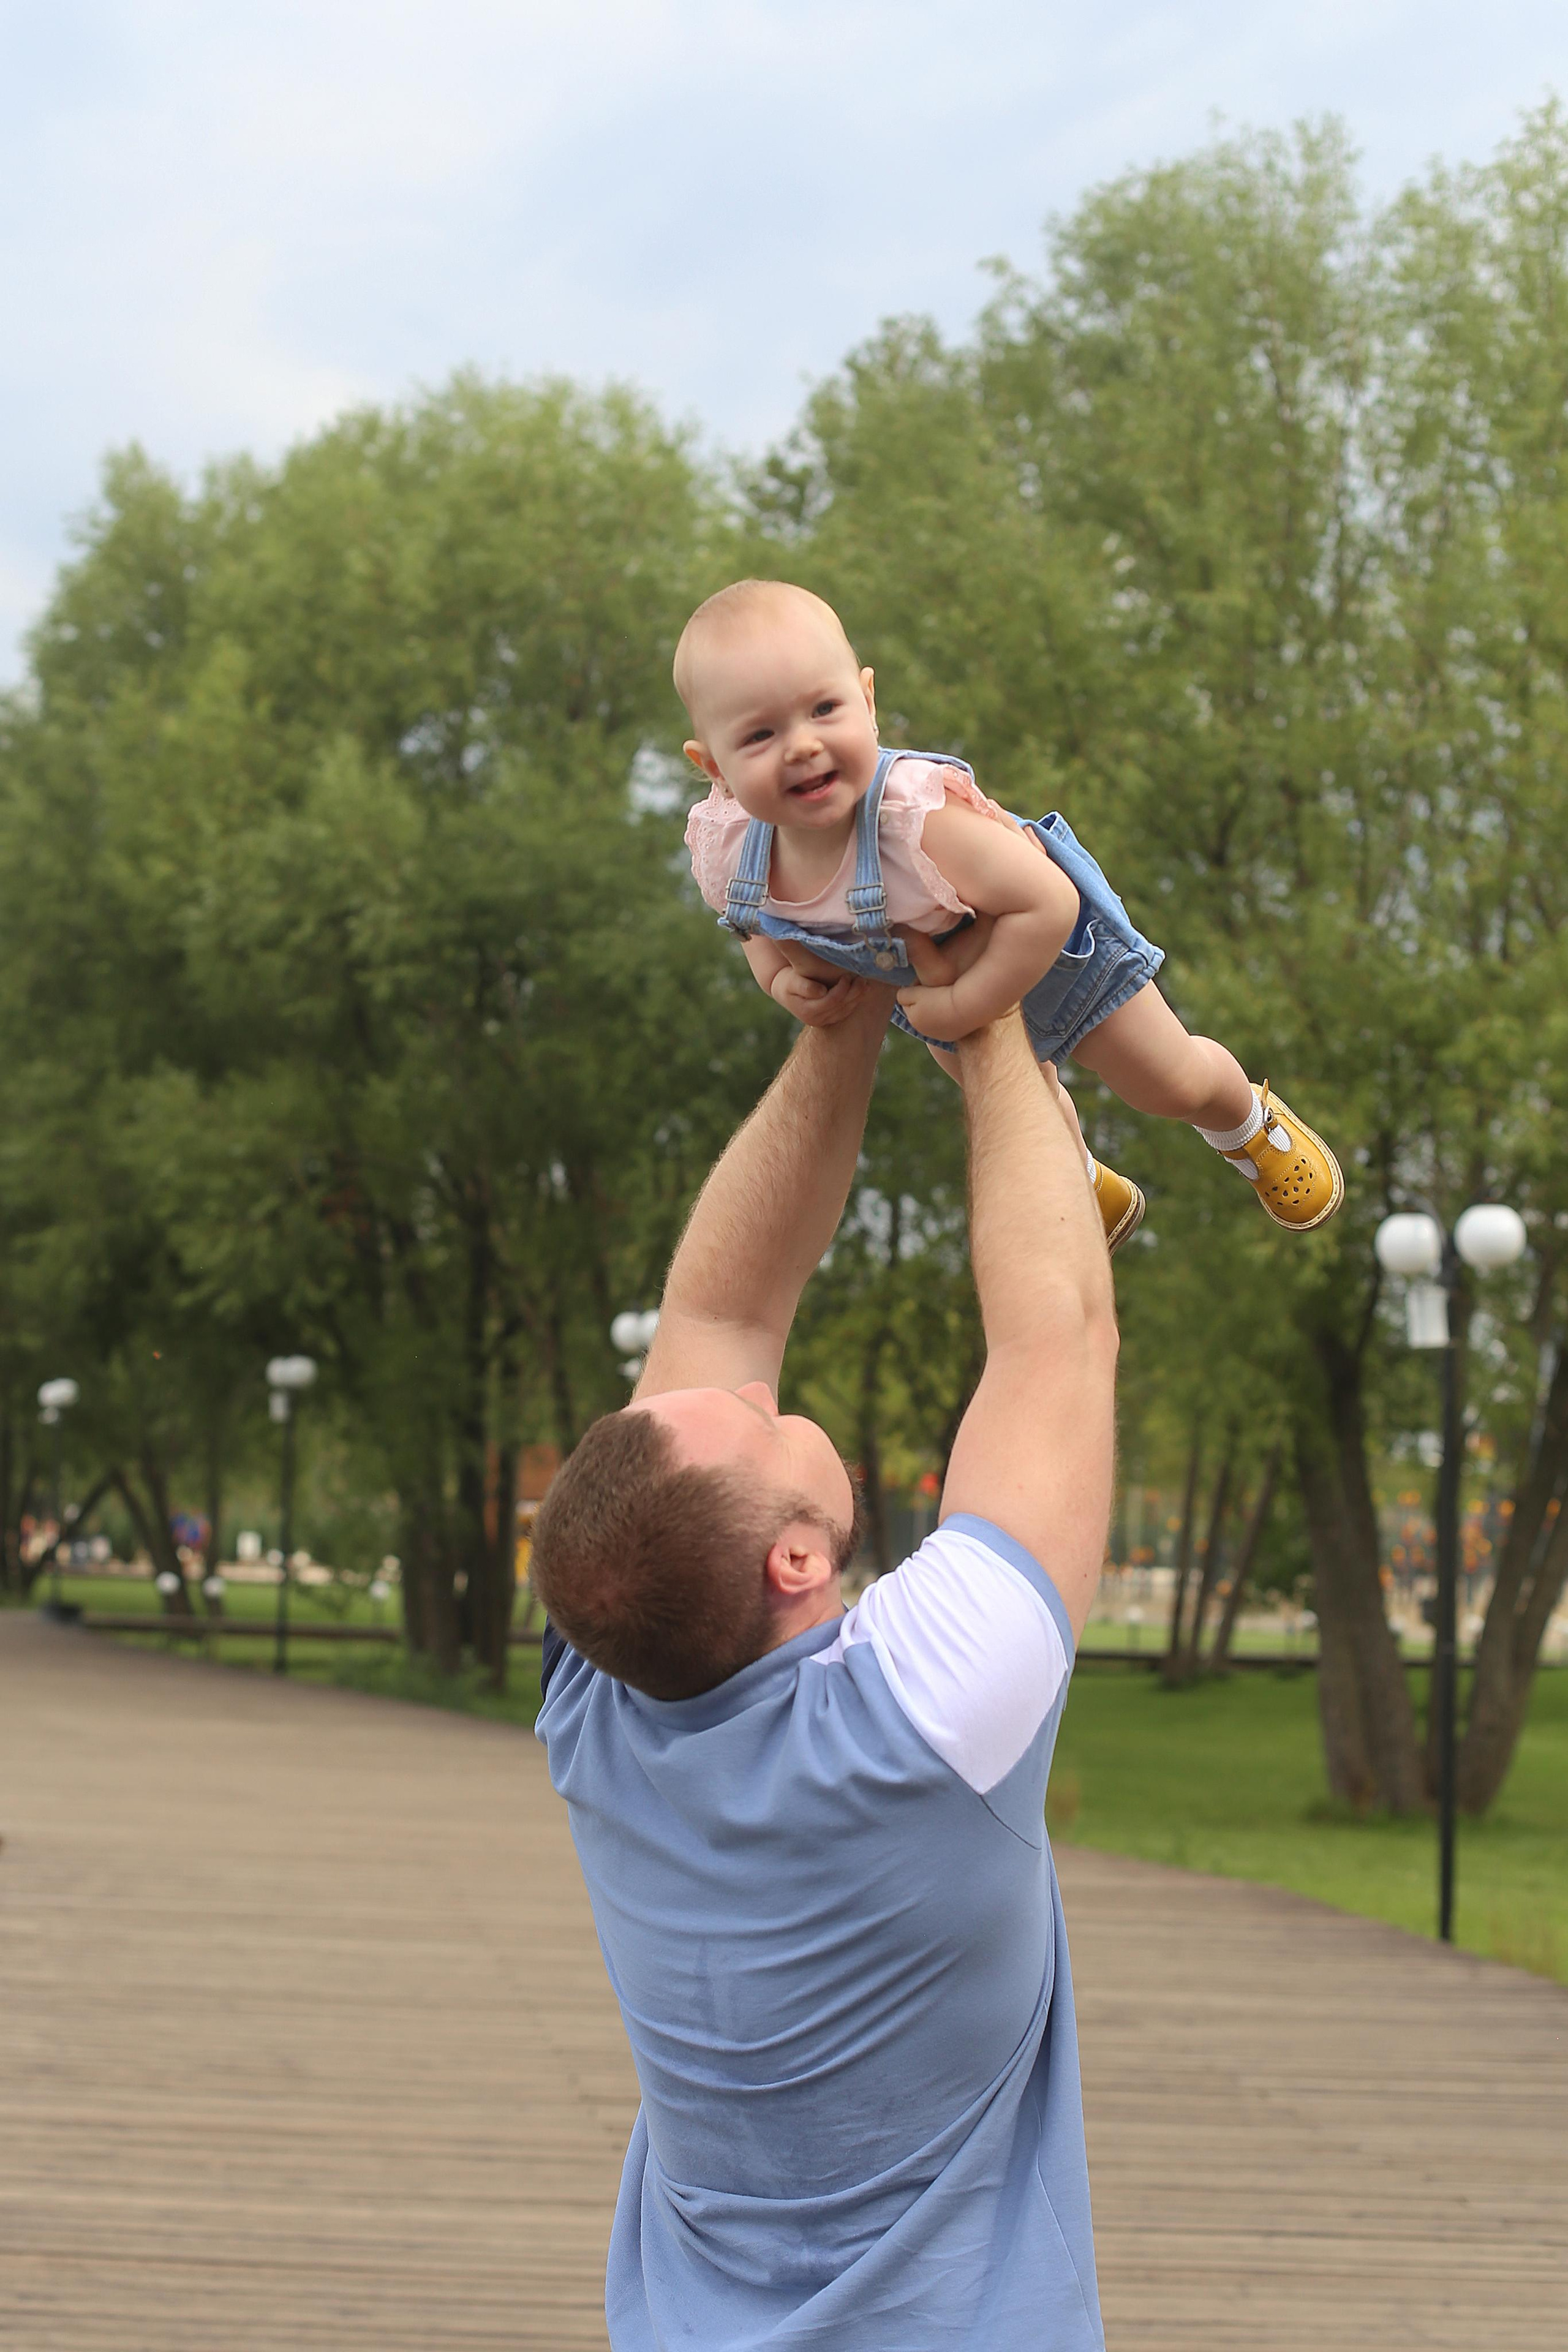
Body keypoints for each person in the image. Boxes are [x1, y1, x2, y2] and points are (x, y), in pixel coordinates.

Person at [531, 984, 1118, 2349]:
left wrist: (838, 1012)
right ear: (793, 1563)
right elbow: (1054, 1333)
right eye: (754, 1425)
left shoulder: (601, 1696)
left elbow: (721, 1301)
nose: (748, 1385)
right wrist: (984, 1004)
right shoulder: (921, 1715)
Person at [679, 576, 1343, 1243]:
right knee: (1015, 1106)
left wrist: (971, 1004)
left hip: (1053, 953)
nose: (801, 745)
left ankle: (1246, 1126)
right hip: (935, 984)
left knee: (1165, 1081)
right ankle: (1083, 1180)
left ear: (868, 700)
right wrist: (777, 979)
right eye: (761, 734)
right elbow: (749, 922)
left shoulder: (915, 818)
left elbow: (1047, 902)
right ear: (715, 767)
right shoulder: (730, 847)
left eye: (824, 709)